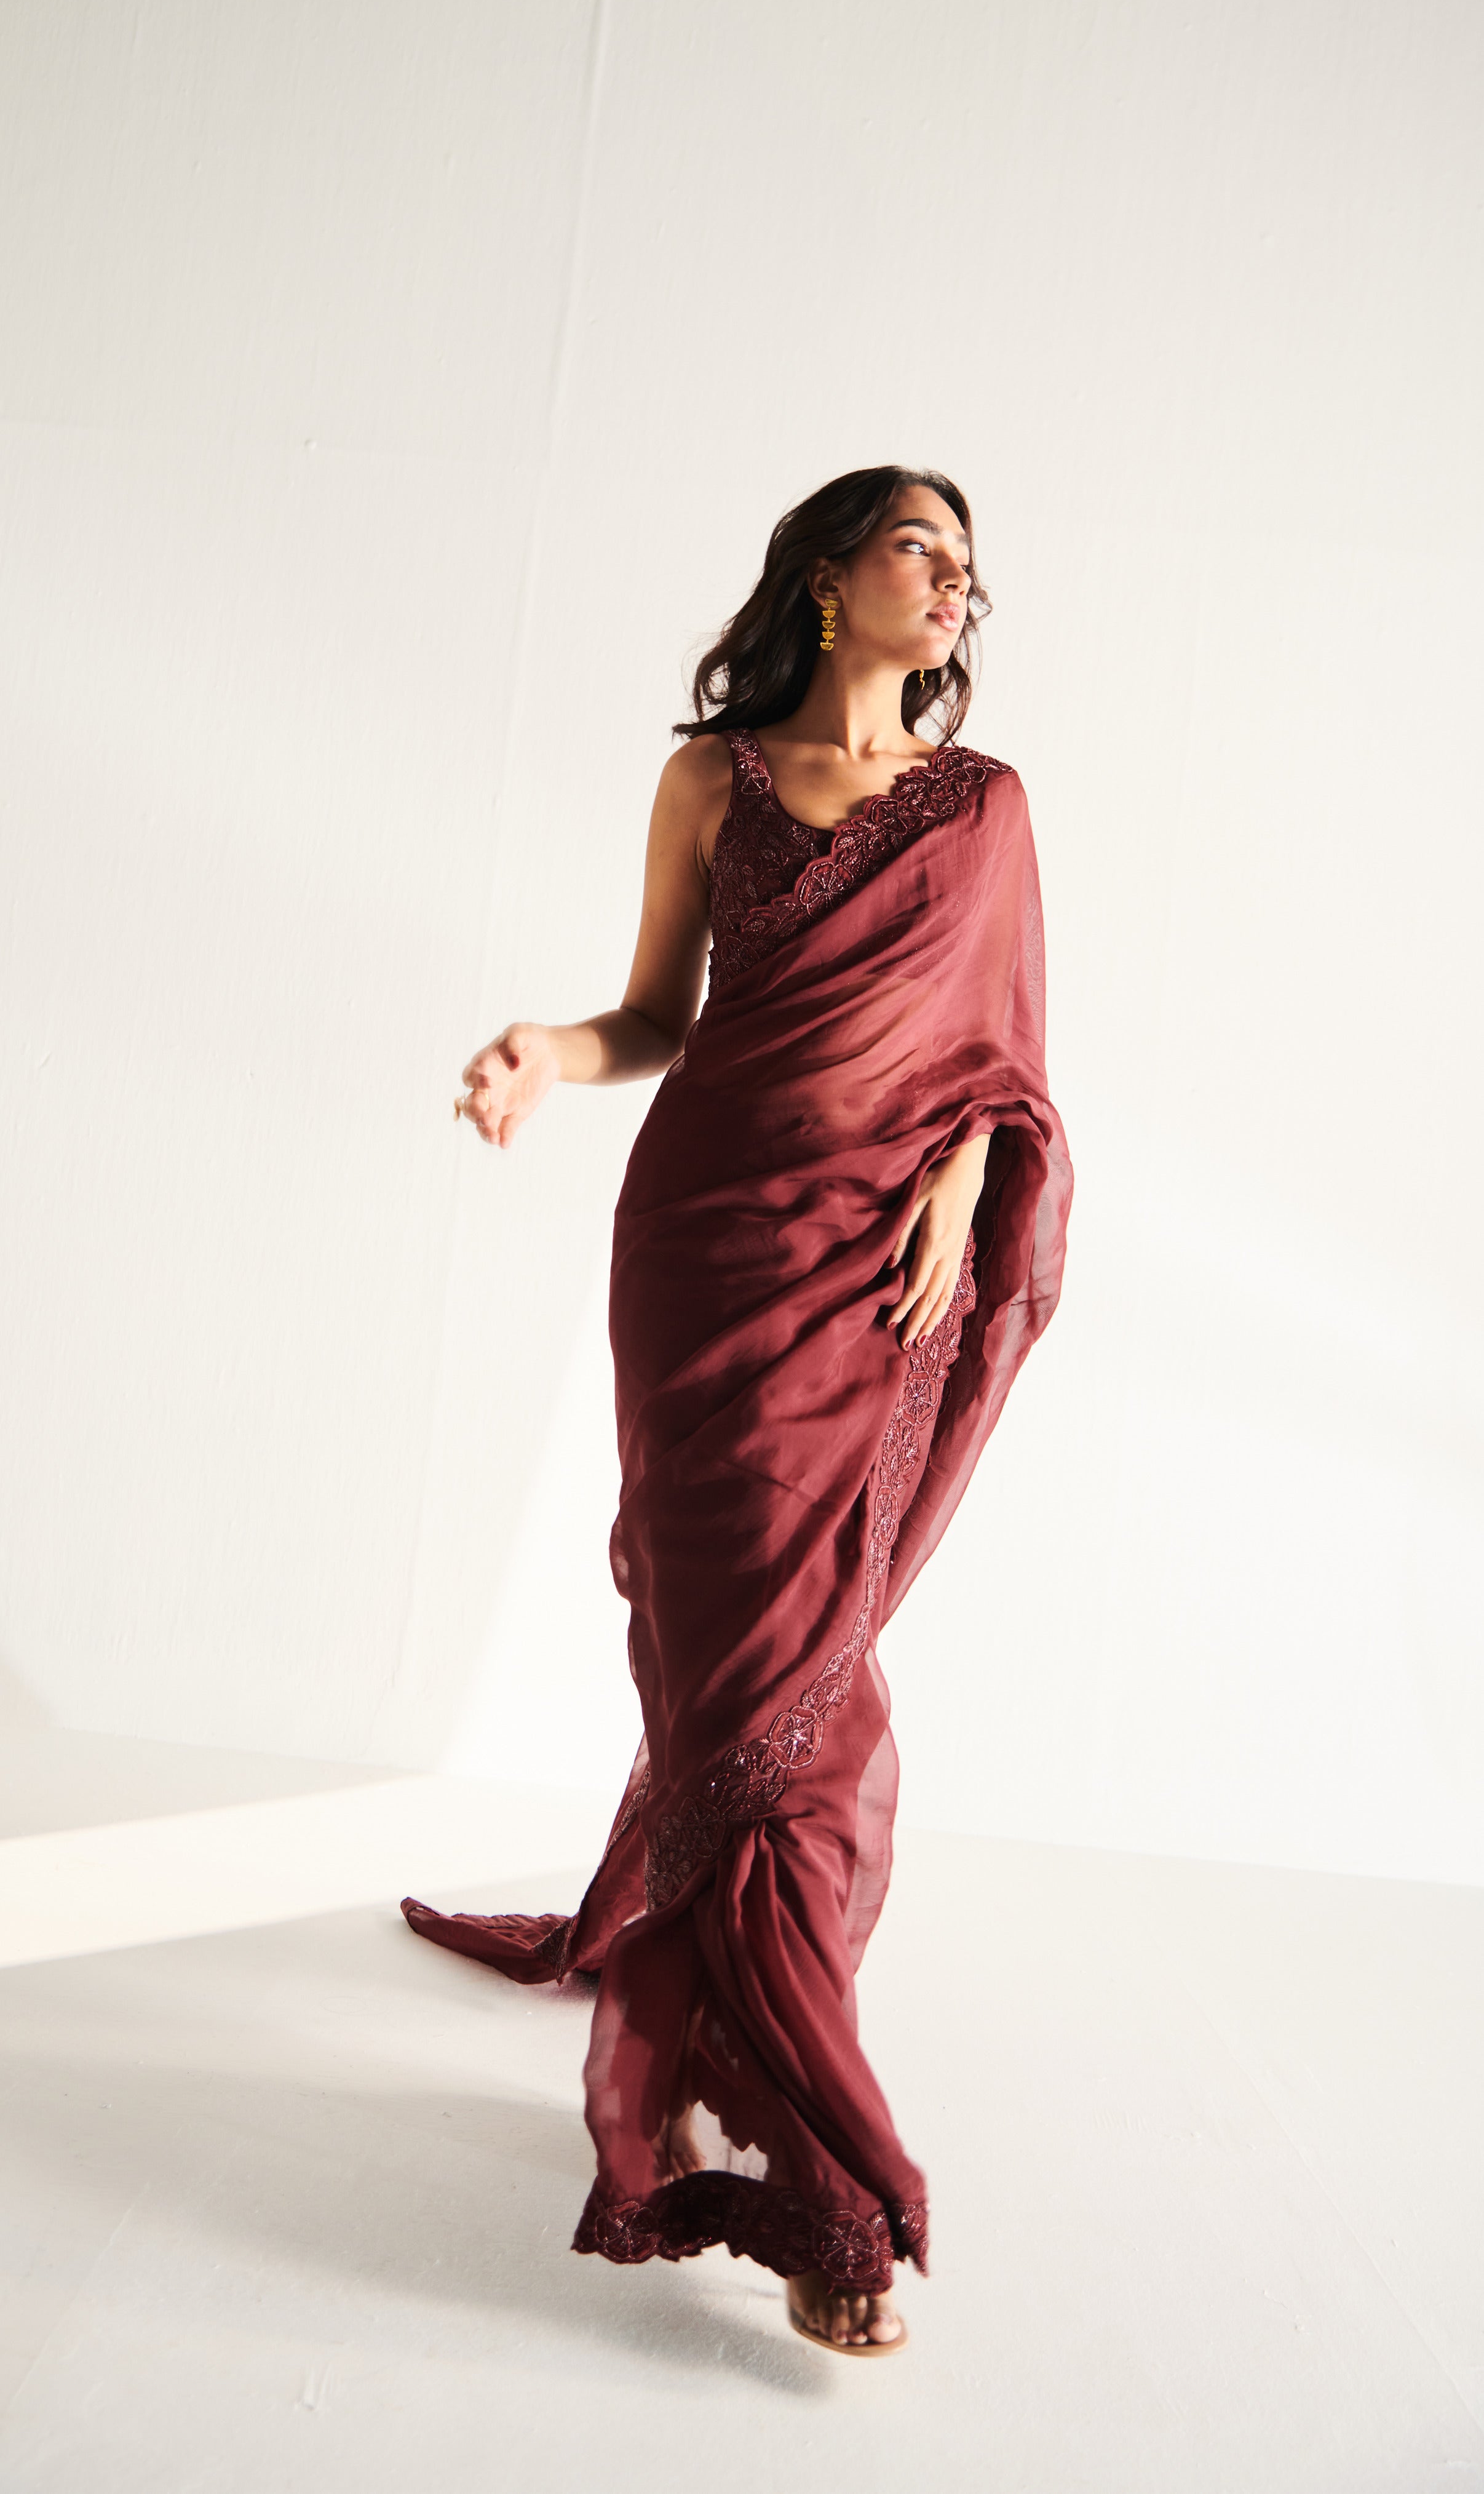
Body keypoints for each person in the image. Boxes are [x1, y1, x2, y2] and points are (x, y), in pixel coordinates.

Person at [403, 465, 1071, 2356]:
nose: (954, 582)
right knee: (720, 1678)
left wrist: (962, 1180)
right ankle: (747, 2058)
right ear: (828, 574)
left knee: (809, 1701)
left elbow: (1007, 1059)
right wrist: (551, 1050)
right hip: (699, 1256)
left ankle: (818, 2166)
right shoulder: (714, 780)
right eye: (919, 546)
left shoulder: (988, 808)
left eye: (969, 563)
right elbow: (655, 1017)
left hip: (874, 1278)